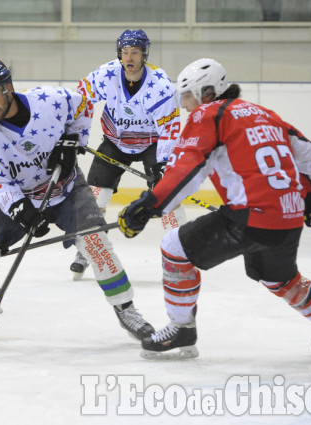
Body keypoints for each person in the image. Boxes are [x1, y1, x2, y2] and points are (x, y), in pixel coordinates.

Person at [118, 58, 311, 359]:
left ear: (208, 92)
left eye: (188, 95)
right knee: (280, 278)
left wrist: (149, 206)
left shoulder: (209, 114)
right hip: (289, 214)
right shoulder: (264, 114)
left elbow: (188, 170)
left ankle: (181, 329)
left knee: (174, 247)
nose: (185, 104)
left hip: (251, 216)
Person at [0, 60, 154, 340]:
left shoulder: (50, 101)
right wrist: (20, 209)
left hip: (67, 189)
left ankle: (126, 309)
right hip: (18, 197)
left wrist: (73, 139)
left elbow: (83, 104)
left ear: (8, 88)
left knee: (96, 243)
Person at [71, 28, 186, 279]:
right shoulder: (106, 74)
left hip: (152, 144)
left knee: (167, 194)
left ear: (144, 55)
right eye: (125, 52)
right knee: (95, 195)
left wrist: (166, 162)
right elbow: (82, 100)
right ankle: (86, 250)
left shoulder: (160, 85)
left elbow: (170, 128)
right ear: (119, 54)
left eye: (135, 52)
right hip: (115, 141)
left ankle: (179, 255)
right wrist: (77, 135)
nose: (129, 57)